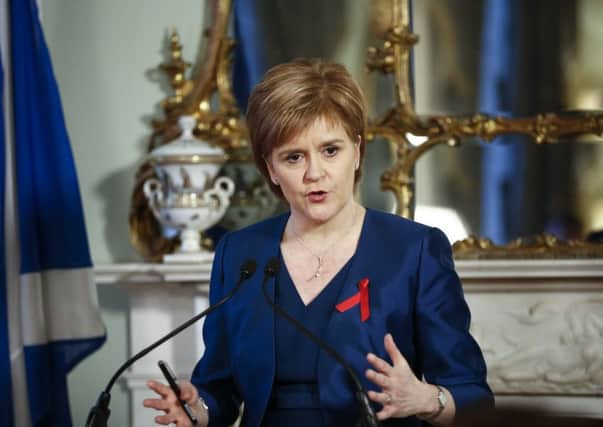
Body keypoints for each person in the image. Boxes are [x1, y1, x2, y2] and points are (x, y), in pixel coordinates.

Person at [143, 58, 494, 426]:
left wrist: (425, 399)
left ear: (357, 151)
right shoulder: (240, 254)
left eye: (330, 150)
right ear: (271, 169)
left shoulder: (415, 250)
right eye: (294, 157)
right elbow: (219, 389)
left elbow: (475, 400)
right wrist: (197, 410)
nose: (315, 173)